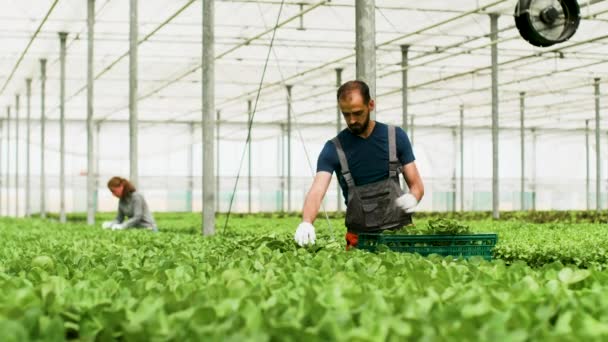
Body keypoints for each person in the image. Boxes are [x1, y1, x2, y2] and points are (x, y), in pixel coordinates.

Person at [294, 80, 424, 248]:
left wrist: (414, 197)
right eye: (346, 114)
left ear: (371, 105)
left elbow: (417, 185)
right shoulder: (334, 148)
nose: (352, 120)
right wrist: (306, 221)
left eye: (357, 113)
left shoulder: (395, 137)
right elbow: (317, 191)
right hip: (359, 241)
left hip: (400, 236)